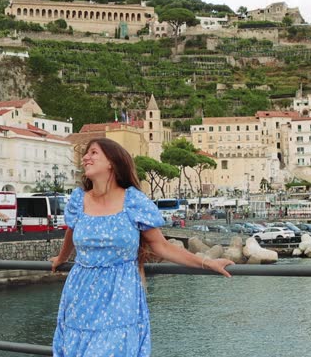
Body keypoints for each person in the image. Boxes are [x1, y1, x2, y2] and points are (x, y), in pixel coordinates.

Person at [50, 138, 233, 356]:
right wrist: (61, 258)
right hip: (80, 292)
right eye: (86, 153)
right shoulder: (78, 200)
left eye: (94, 152)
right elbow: (71, 232)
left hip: (120, 293)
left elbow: (162, 246)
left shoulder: (133, 201)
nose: (86, 157)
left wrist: (207, 262)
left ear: (112, 162)